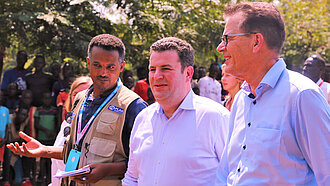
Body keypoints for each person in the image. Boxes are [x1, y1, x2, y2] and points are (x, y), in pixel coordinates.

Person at [7, 34, 148, 185]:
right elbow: (76, 150)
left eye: (110, 67)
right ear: (88, 63)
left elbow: (145, 162)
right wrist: (44, 150)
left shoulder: (133, 106)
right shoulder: (80, 98)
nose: (103, 72)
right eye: (97, 65)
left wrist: (107, 170)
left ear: (121, 67)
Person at [215, 2, 330, 185]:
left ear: (256, 41)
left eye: (227, 39)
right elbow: (226, 173)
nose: (220, 47)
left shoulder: (302, 96)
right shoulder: (241, 99)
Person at [122, 37, 230, 185]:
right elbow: (132, 177)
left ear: (188, 73)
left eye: (166, 69)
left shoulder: (216, 118)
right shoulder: (143, 118)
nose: (157, 76)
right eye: (152, 69)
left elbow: (234, 177)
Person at [51, 76, 92, 186]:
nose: (79, 97)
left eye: (85, 93)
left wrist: (44, 150)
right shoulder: (67, 122)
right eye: (75, 94)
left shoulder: (94, 124)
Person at [34, 92, 58, 184]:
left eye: (49, 99)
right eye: (45, 98)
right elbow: (36, 124)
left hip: (51, 138)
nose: (47, 101)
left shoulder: (54, 110)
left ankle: (49, 179)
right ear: (42, 100)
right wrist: (45, 130)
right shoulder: (39, 110)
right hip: (42, 138)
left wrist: (53, 132)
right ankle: (42, 179)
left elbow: (57, 122)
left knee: (50, 160)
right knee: (42, 160)